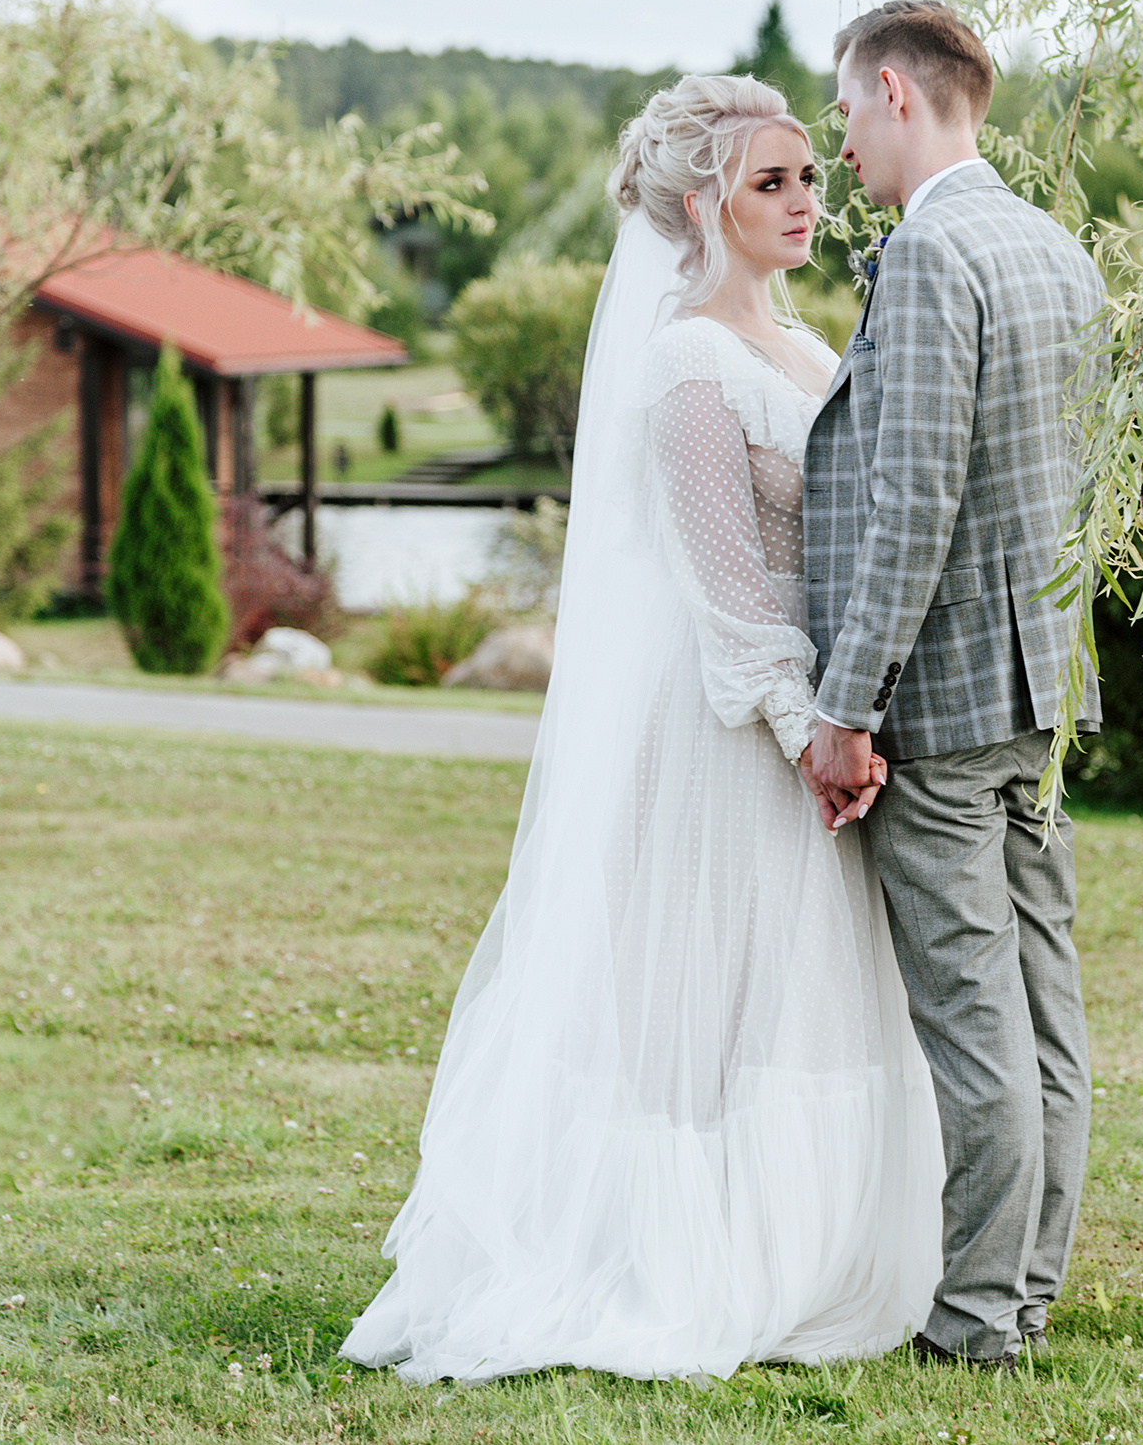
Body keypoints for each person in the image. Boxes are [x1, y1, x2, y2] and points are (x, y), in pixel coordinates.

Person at [339, 75, 941, 1386]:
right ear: (703, 203)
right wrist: (807, 730)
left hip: (824, 715)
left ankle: (809, 1245)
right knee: (714, 1002)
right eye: (771, 181)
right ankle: (686, 1258)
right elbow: (729, 590)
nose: (806, 199)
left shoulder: (804, 344)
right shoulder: (683, 362)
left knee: (803, 991)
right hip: (729, 729)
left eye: (808, 175)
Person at [800, 0, 1106, 1373]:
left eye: (845, 115)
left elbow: (912, 499)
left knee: (977, 1019)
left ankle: (978, 1319)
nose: (841, 147)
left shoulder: (929, 252)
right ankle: (1022, 1293)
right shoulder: (1053, 246)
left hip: (944, 696)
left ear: (893, 91)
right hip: (1040, 687)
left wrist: (846, 705)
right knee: (1043, 1011)